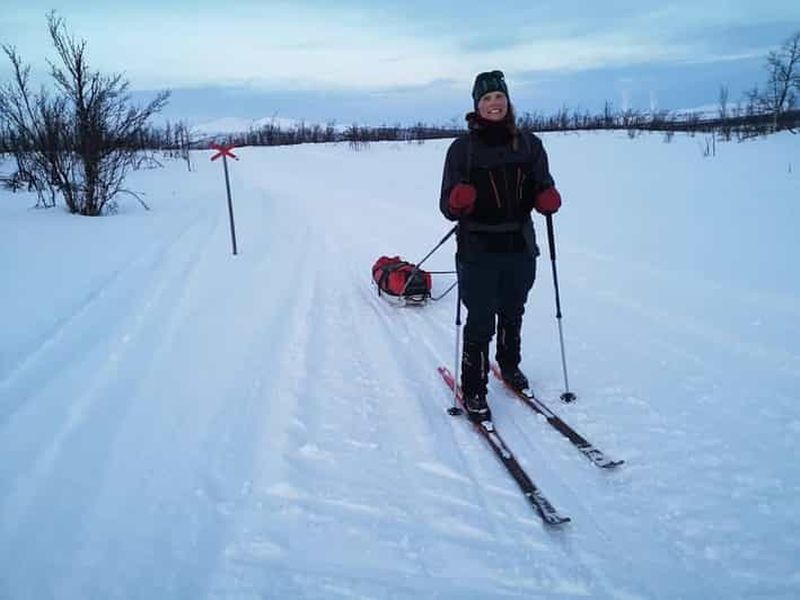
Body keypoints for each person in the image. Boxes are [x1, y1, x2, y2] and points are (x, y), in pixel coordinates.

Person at [439, 70, 562, 423]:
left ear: (508, 101)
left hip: (519, 244)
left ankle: (509, 366)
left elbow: (543, 184)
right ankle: (474, 387)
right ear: (477, 106)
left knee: (513, 310)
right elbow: (447, 207)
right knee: (480, 319)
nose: (494, 103)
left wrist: (546, 196)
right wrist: (458, 202)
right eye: (487, 98)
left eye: (499, 97)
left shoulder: (529, 144)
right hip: (477, 247)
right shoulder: (462, 150)